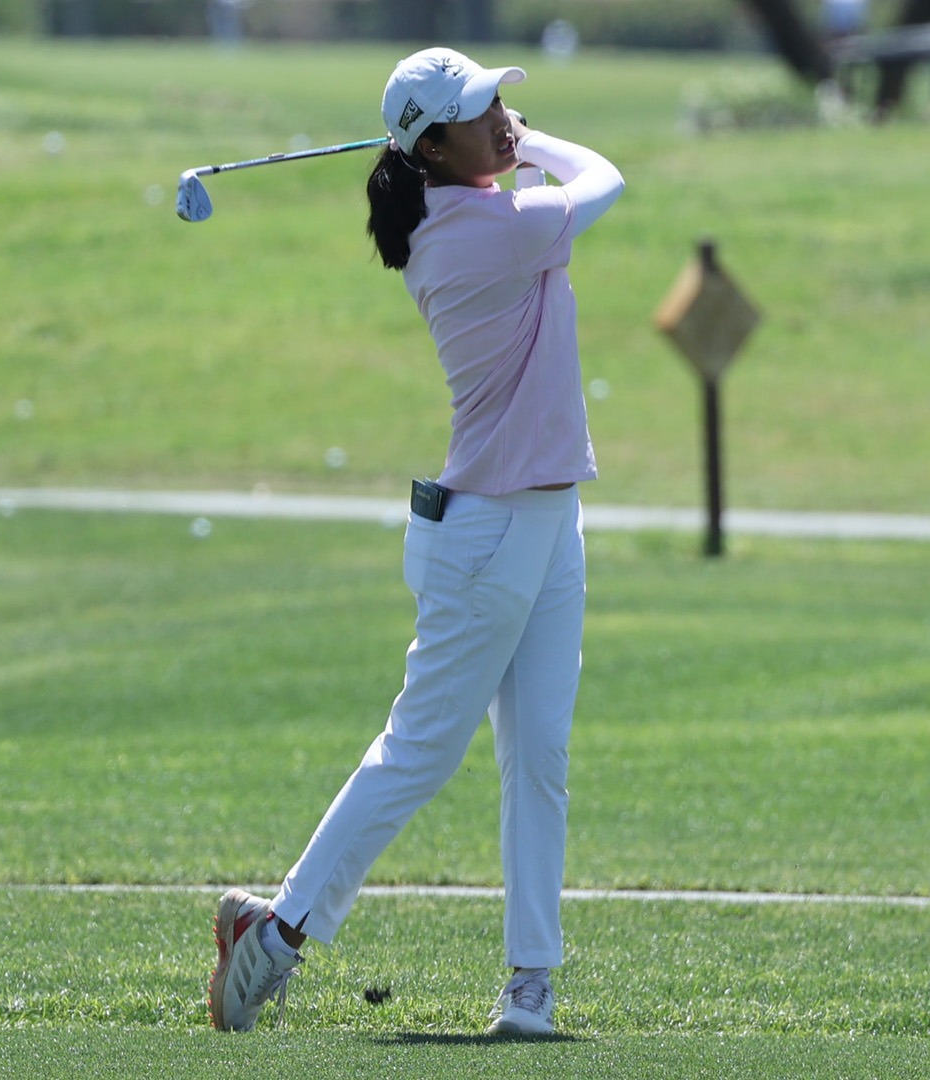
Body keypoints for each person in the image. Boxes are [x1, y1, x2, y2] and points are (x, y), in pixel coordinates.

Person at [208, 47, 624, 1036]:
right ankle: (276, 933)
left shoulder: (469, 207)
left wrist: (506, 145)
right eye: (481, 114)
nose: (503, 121)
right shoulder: (477, 231)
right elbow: (605, 179)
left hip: (547, 518)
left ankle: (530, 988)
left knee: (542, 758)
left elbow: (555, 177)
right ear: (433, 147)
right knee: (421, 752)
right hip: (489, 535)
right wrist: (532, 150)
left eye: (499, 105)